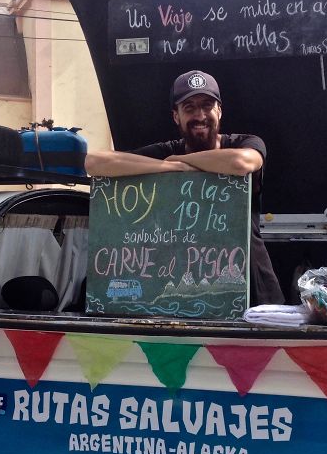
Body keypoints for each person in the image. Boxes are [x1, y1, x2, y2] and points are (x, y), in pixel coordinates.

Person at [85, 70, 285, 305]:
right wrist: (166, 168)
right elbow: (94, 162)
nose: (200, 115)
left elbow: (241, 163)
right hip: (179, 292)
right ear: (176, 116)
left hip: (252, 290)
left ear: (219, 111)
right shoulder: (168, 152)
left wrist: (181, 162)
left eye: (207, 106)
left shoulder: (244, 143)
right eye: (189, 108)